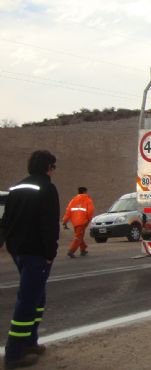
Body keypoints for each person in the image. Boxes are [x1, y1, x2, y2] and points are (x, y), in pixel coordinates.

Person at [0, 150, 60, 369]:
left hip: (17, 250)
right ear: (48, 167)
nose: (54, 171)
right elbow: (49, 225)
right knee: (27, 301)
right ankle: (14, 353)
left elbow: (5, 220)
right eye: (54, 166)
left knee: (37, 297)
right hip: (36, 253)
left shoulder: (17, 188)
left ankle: (29, 342)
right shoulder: (47, 188)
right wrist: (50, 254)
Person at [62, 187, 95, 258]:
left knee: (79, 235)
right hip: (83, 221)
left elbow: (68, 211)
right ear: (84, 192)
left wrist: (64, 221)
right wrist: (89, 219)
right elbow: (90, 210)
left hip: (74, 222)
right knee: (78, 236)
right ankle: (71, 250)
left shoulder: (73, 200)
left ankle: (83, 249)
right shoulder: (87, 199)